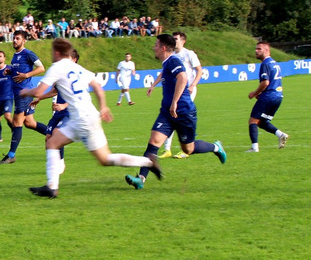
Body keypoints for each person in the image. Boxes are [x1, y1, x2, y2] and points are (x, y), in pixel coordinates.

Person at [22, 40, 162, 198]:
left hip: (81, 120)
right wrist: (103, 107)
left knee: (56, 144)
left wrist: (25, 92)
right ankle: (148, 162)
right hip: (87, 117)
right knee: (99, 157)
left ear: (57, 52)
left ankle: (52, 187)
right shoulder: (76, 68)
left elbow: (38, 91)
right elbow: (97, 86)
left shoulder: (57, 67)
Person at [125, 34, 226, 190]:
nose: (153, 47)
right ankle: (141, 179)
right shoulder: (167, 63)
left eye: (156, 45)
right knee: (154, 141)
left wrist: (174, 102)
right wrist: (155, 86)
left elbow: (183, 78)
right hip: (167, 112)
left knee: (188, 149)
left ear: (163, 48)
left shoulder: (173, 61)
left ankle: (216, 147)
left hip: (183, 112)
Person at [0, 29, 48, 164]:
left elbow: (41, 68)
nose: (14, 40)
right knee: (29, 123)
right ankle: (53, 133)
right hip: (18, 93)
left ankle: (11, 155)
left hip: (24, 93)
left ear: (24, 40)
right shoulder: (15, 56)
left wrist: (26, 75)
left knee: (16, 123)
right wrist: (10, 72)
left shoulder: (28, 54)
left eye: (18, 38)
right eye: (14, 38)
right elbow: (18, 71)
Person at [151, 31, 202, 159]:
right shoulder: (170, 57)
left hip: (186, 91)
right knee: (171, 116)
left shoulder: (188, 54)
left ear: (183, 41)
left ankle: (186, 146)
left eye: (176, 39)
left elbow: (198, 71)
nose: (174, 40)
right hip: (173, 92)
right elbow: (164, 72)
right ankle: (167, 149)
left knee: (179, 114)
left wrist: (193, 85)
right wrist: (153, 84)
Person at [246, 41, 289, 152]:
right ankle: (281, 135)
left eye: (259, 49)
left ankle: (254, 148)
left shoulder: (265, 64)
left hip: (269, 97)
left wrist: (254, 93)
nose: (256, 51)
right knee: (262, 122)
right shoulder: (274, 63)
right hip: (278, 96)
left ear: (266, 50)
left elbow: (265, 82)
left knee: (253, 121)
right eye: (256, 49)